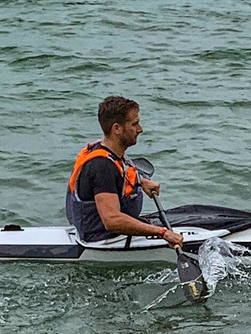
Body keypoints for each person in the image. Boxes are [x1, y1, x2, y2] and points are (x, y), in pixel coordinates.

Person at [66, 96, 184, 247]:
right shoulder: (102, 167)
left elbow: (111, 183)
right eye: (134, 124)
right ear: (117, 128)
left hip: (105, 232)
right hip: (103, 240)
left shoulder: (106, 151)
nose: (140, 129)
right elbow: (112, 220)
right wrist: (162, 233)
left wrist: (140, 182)